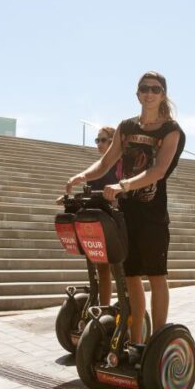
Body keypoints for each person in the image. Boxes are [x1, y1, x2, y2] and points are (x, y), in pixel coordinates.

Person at [66, 71, 185, 362]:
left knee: (156, 276)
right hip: (127, 212)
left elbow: (159, 170)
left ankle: (158, 341)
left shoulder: (171, 130)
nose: (149, 93)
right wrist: (82, 175)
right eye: (144, 88)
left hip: (153, 212)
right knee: (131, 276)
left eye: (155, 89)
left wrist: (124, 185)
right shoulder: (126, 126)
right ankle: (137, 343)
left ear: (163, 94)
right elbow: (107, 161)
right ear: (137, 93)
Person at [85, 126, 121, 305]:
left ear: (113, 142)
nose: (99, 144)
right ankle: (104, 309)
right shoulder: (96, 169)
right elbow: (89, 194)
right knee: (102, 270)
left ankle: (128, 310)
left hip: (115, 224)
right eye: (97, 140)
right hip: (100, 224)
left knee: (119, 271)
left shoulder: (120, 167)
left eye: (103, 140)